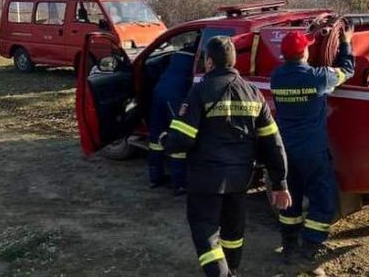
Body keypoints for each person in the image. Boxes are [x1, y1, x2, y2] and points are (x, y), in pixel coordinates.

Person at [162, 36, 292, 277]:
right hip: (240, 179)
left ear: (209, 62)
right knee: (233, 233)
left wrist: (165, 142)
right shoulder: (254, 94)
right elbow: (273, 142)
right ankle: (232, 270)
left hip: (206, 179)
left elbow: (183, 139)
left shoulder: (200, 91)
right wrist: (280, 182)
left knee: (205, 233)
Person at [269, 27, 355, 265]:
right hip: (312, 151)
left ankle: (289, 244)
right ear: (304, 52)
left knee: (290, 198)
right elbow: (347, 70)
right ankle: (311, 245)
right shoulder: (318, 77)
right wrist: (346, 43)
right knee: (323, 197)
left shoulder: (277, 77)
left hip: (285, 150)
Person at [148, 45, 195, 195]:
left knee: (156, 136)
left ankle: (155, 178)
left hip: (159, 91)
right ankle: (179, 184)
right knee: (178, 137)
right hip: (175, 95)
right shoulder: (198, 56)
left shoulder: (178, 53)